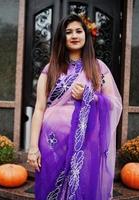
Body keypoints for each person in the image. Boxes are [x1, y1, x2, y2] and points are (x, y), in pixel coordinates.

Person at [27, 14, 122, 200]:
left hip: (86, 141)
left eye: (78, 31)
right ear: (62, 37)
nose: (74, 35)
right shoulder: (51, 68)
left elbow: (114, 103)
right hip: (52, 142)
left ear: (86, 35)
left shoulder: (98, 68)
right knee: (52, 189)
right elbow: (39, 109)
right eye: (68, 32)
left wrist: (89, 96)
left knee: (82, 188)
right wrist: (32, 147)